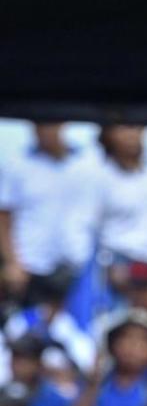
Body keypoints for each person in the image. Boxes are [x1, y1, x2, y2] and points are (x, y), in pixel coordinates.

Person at [0, 122, 91, 303]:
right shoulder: (17, 164)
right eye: (39, 125)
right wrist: (12, 263)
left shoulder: (86, 162)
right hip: (31, 266)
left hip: (77, 267)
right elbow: (4, 217)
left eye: (50, 124)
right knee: (27, 328)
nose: (44, 131)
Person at [82, 124, 147, 280]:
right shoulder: (99, 178)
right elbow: (87, 230)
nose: (132, 135)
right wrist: (105, 271)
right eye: (124, 129)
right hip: (117, 269)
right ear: (109, 136)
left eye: (137, 128)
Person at [74, 309, 147, 406]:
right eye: (125, 337)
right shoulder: (98, 383)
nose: (132, 347)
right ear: (112, 343)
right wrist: (93, 385)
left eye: (143, 341)